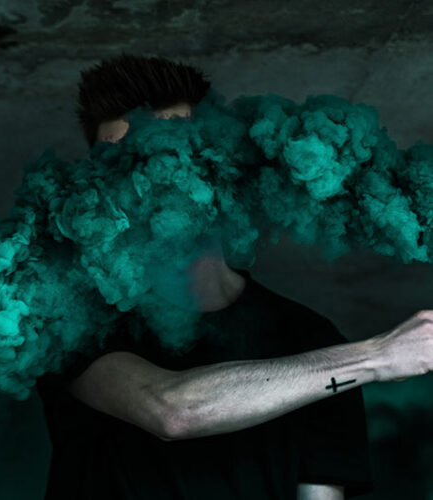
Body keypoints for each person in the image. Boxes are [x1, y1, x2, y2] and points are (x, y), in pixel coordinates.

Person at [37, 53, 378, 499]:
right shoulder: (71, 321)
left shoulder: (313, 340)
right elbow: (172, 411)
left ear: (220, 163)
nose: (148, 181)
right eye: (121, 164)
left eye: (168, 153)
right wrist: (378, 359)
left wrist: (355, 363)